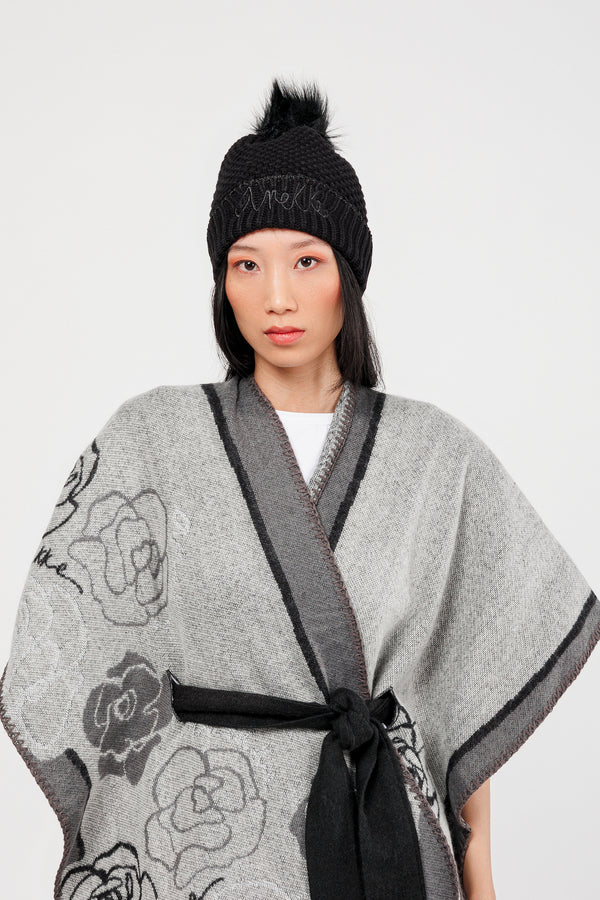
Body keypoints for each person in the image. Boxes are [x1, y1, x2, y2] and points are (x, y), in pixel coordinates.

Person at [0, 76, 597, 900]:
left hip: (379, 839)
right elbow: (69, 656)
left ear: (347, 273)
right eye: (246, 264)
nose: (275, 296)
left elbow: (463, 691)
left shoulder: (436, 457)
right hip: (192, 850)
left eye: (306, 261)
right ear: (222, 281)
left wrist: (481, 880)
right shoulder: (152, 439)